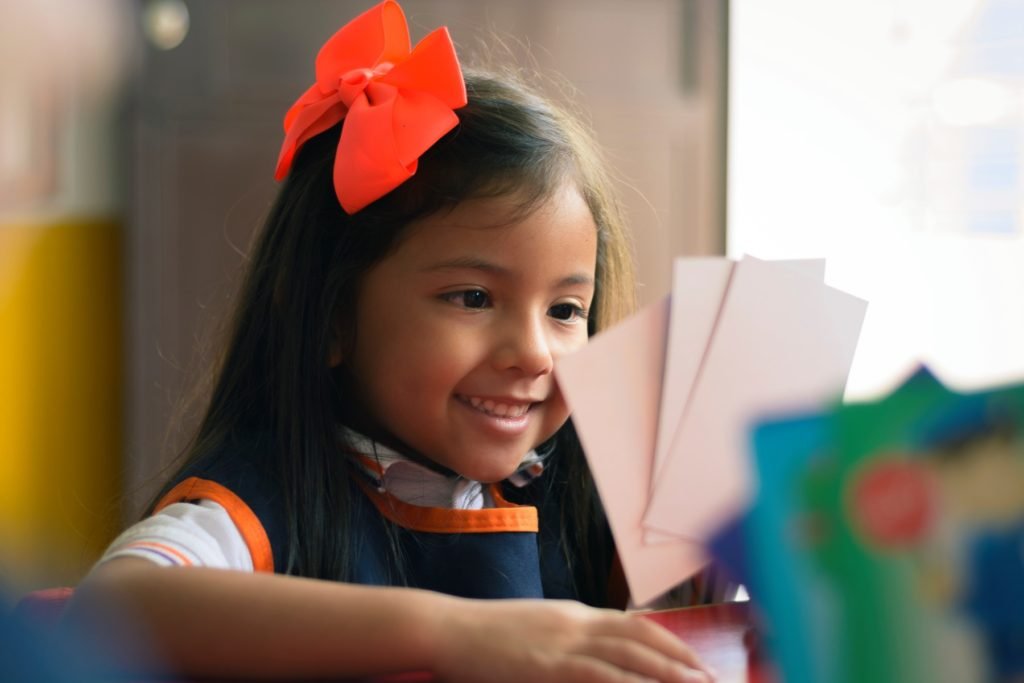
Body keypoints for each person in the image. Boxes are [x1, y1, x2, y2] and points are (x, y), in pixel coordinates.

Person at [64, 2, 715, 681]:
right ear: (333, 318)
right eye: (474, 298)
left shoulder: (573, 494)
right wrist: (451, 631)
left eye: (564, 308)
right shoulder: (262, 501)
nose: (534, 353)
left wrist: (721, 550)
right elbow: (108, 612)